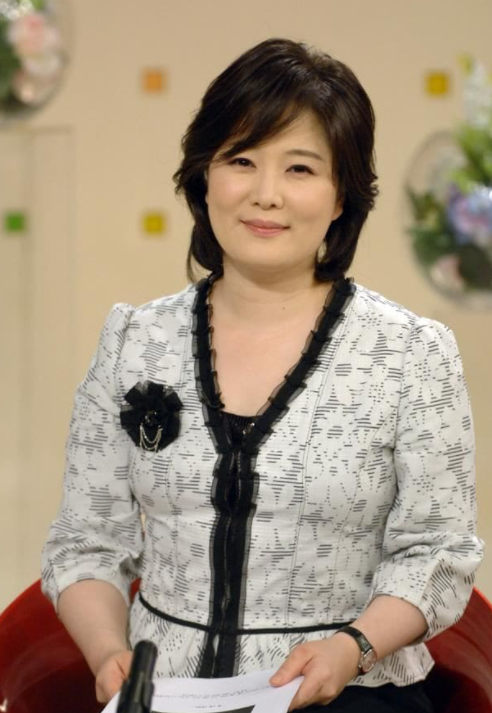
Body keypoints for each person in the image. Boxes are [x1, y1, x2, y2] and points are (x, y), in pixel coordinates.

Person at [41, 38, 483, 713]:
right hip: (167, 692)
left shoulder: (411, 353)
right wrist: (109, 655)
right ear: (204, 177)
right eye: (241, 161)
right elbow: (85, 542)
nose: (266, 195)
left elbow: (438, 553)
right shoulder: (134, 340)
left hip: (349, 692)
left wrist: (351, 648)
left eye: (300, 168)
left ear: (342, 196)